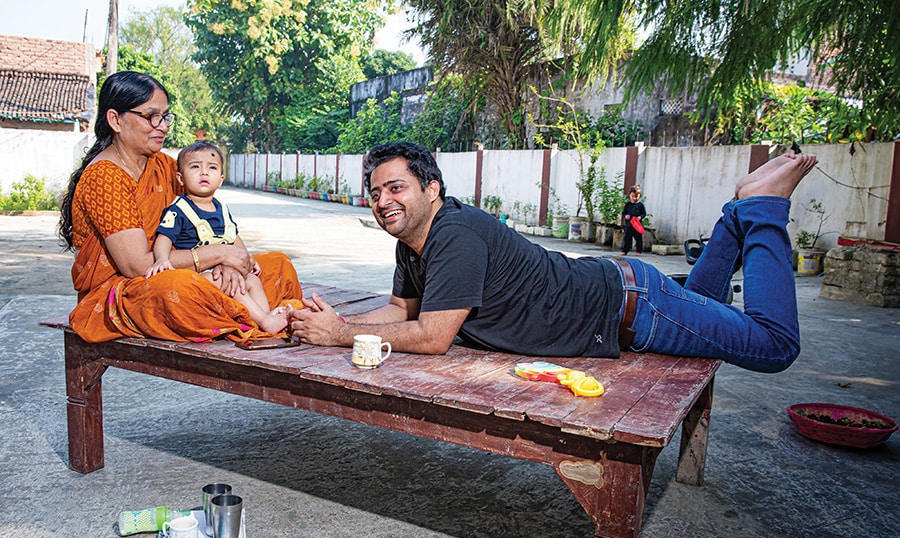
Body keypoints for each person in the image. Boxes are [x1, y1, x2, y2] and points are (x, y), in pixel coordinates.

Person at [290, 141, 815, 374]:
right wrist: (342, 322)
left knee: (773, 346)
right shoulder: (413, 240)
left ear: (432, 187)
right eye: (376, 193)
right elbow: (402, 312)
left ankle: (765, 208)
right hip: (629, 293)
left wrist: (339, 336)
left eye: (396, 188)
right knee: (703, 304)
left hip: (635, 309)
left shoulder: (455, 232)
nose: (383, 202)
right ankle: (738, 211)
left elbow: (431, 337)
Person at [58, 71, 302, 343]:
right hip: (128, 289)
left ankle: (242, 309)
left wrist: (234, 262)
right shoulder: (104, 177)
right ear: (116, 120)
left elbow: (210, 213)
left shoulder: (163, 165)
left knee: (278, 265)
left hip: (194, 272)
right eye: (151, 116)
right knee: (179, 291)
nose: (162, 126)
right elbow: (137, 266)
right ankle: (252, 313)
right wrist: (217, 255)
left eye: (165, 117)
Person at [146, 141, 289, 334]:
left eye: (211, 168)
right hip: (202, 274)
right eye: (195, 167)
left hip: (225, 269)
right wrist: (162, 258)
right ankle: (264, 320)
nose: (204, 172)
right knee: (230, 283)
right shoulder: (178, 208)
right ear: (180, 178)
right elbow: (164, 237)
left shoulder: (221, 208)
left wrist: (247, 258)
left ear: (221, 179)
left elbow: (233, 236)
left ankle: (265, 316)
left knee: (252, 281)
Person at [620, 184, 646, 255]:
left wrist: (640, 217)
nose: (634, 198)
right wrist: (626, 216)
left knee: (638, 238)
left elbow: (643, 213)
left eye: (636, 196)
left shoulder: (640, 205)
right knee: (627, 238)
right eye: (633, 196)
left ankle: (638, 251)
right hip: (629, 224)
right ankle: (625, 250)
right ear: (630, 195)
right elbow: (624, 212)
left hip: (637, 224)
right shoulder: (628, 204)